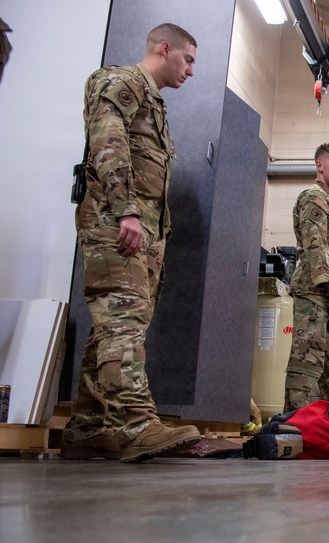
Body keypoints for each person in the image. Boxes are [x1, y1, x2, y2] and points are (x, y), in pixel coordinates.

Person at [61, 23, 200, 463]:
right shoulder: (119, 82)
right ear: (165, 48)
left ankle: (87, 427)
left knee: (114, 326)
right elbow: (108, 143)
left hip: (141, 232)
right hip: (115, 223)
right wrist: (125, 210)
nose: (191, 71)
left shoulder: (153, 103)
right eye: (188, 59)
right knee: (122, 324)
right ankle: (135, 423)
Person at [283, 142, 329, 411]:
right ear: (319, 165)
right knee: (306, 363)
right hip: (316, 293)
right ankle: (292, 430)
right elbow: (316, 246)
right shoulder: (314, 196)